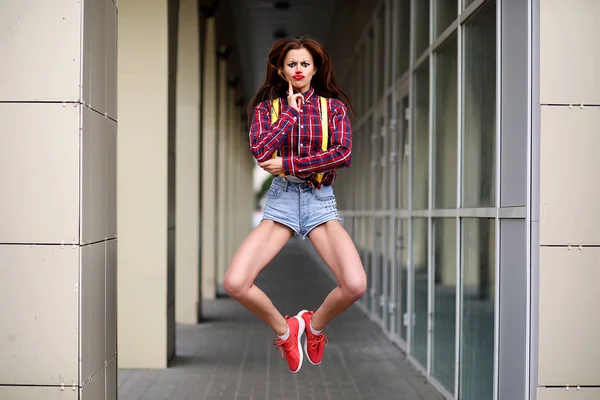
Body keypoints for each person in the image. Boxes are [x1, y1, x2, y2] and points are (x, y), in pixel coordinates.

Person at [223, 37, 367, 374]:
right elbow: (261, 152)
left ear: (316, 68)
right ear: (280, 69)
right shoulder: (266, 110)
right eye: (291, 64)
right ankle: (287, 331)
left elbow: (342, 155)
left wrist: (289, 165)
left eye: (304, 64)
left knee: (355, 285)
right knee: (235, 282)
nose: (298, 69)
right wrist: (290, 112)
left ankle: (313, 327)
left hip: (319, 201)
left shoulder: (333, 109)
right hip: (281, 202)